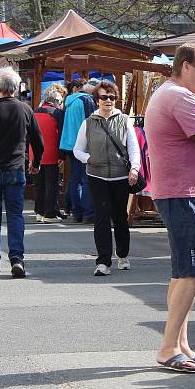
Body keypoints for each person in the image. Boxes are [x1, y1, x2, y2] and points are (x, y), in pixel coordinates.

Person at [145, 43, 195, 372]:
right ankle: (168, 348)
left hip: (182, 192)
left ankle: (181, 345)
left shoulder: (170, 94)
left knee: (184, 272)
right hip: (185, 193)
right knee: (193, 270)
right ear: (185, 66)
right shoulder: (179, 97)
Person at [0, 66, 44, 277]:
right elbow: (38, 140)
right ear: (16, 88)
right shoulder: (25, 109)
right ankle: (17, 258)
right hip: (17, 167)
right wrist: (37, 161)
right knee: (16, 214)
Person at [73, 80, 140, 276]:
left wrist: (134, 169)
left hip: (120, 176)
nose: (108, 100)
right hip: (97, 175)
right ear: (97, 100)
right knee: (101, 218)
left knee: (120, 217)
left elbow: (133, 147)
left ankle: (122, 254)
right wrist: (89, 158)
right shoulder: (88, 123)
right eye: (104, 97)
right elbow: (77, 149)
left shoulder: (125, 120)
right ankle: (103, 261)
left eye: (112, 97)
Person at [60, 78, 97, 224]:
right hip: (82, 144)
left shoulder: (69, 101)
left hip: (69, 143)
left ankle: (76, 211)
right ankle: (87, 211)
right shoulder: (86, 101)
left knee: (76, 178)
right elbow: (92, 122)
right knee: (85, 179)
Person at [31, 88, 64, 223]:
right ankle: (49, 213)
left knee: (39, 183)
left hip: (36, 152)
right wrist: (62, 155)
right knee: (51, 184)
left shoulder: (34, 112)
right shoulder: (57, 113)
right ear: (55, 101)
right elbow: (61, 134)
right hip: (51, 152)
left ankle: (39, 211)